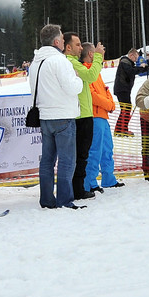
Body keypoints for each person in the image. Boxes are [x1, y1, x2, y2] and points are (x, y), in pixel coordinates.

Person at [29, 24, 84, 209]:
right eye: (61, 37)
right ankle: (64, 200)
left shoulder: (35, 62)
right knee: (67, 161)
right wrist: (77, 78)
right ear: (57, 41)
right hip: (62, 116)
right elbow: (72, 87)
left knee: (47, 160)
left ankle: (46, 199)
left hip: (45, 116)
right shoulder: (60, 61)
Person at [62, 33, 103, 200]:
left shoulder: (72, 63)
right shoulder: (70, 62)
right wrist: (99, 56)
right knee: (80, 154)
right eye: (78, 44)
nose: (81, 48)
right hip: (80, 115)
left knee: (81, 154)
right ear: (68, 47)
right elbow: (91, 76)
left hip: (83, 113)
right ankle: (77, 190)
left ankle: (78, 188)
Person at [82, 42, 122, 192]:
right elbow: (92, 96)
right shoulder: (86, 71)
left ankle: (108, 178)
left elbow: (104, 90)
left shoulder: (96, 72)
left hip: (102, 116)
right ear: (91, 54)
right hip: (94, 116)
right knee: (95, 150)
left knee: (107, 148)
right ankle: (90, 182)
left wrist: (110, 103)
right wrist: (108, 104)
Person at [113, 48, 149, 137]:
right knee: (126, 108)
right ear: (131, 55)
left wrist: (146, 67)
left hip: (123, 89)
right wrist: (143, 67)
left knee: (125, 109)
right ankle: (122, 129)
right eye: (136, 57)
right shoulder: (125, 62)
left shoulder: (128, 63)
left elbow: (135, 69)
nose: (136, 60)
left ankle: (119, 129)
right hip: (122, 89)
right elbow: (132, 71)